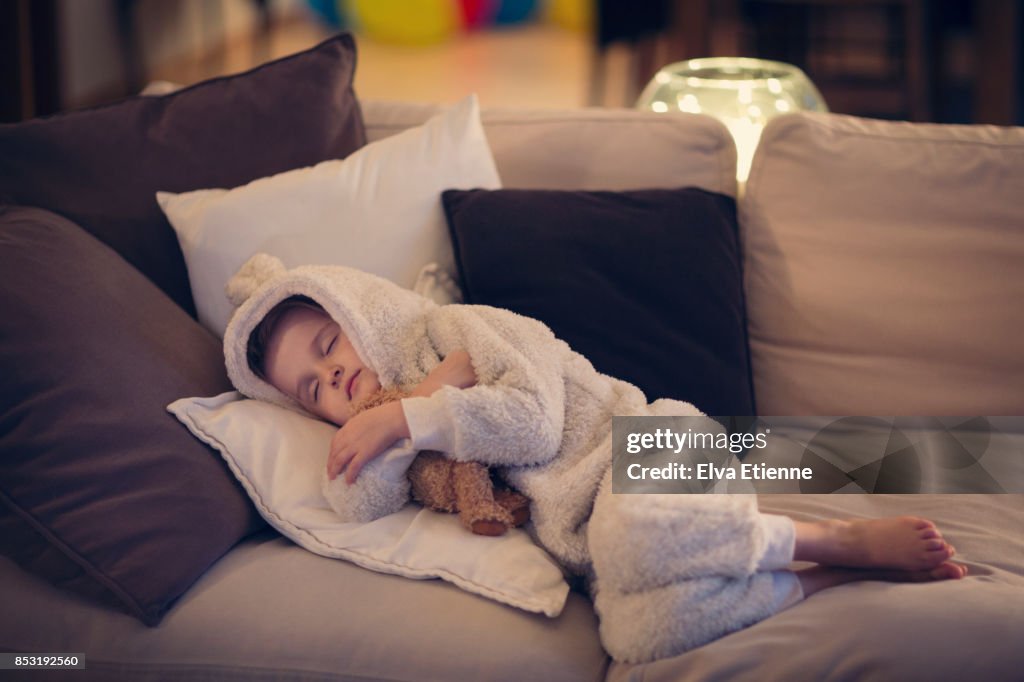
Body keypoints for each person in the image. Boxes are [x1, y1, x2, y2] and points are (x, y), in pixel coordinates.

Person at [223, 254, 967, 663]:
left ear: (361, 313)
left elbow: (536, 424)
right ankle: (825, 579)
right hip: (604, 549)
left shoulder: (456, 328)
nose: (332, 379)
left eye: (330, 348)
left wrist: (415, 411)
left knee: (632, 532)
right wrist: (390, 426)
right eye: (310, 389)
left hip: (649, 446)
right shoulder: (392, 424)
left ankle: (828, 540)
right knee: (636, 637)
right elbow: (358, 501)